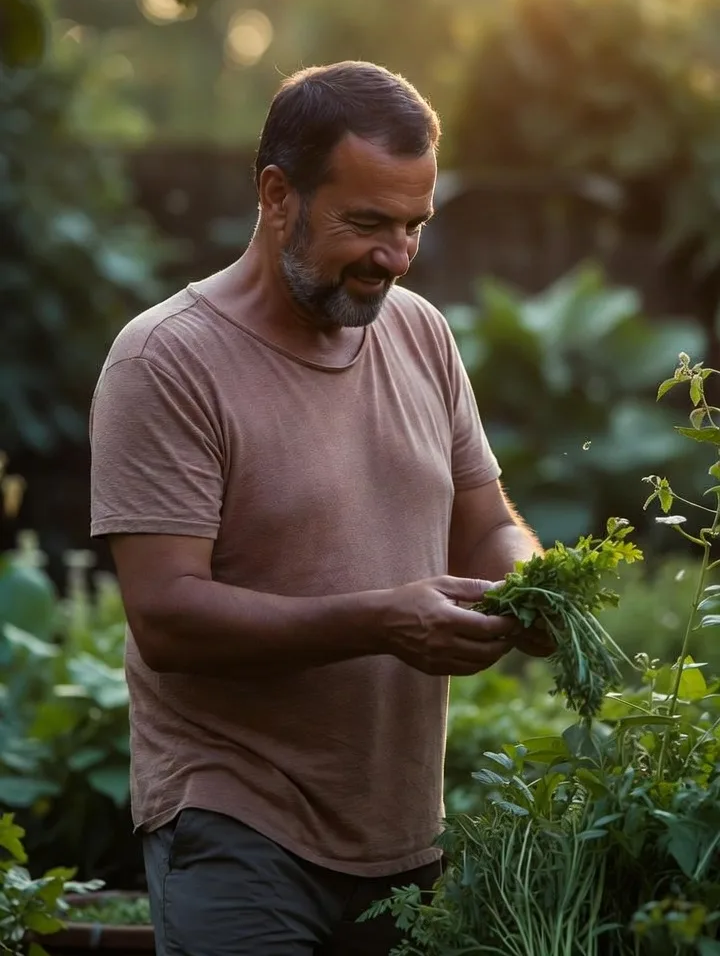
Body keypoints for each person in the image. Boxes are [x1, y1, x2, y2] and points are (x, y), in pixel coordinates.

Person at [89, 61, 553, 956]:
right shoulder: (166, 363)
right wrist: (384, 621)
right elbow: (167, 617)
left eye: (413, 227)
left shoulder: (420, 333)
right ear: (276, 196)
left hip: (402, 831)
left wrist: (532, 589)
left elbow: (487, 519)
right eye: (367, 223)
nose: (395, 258)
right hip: (236, 822)